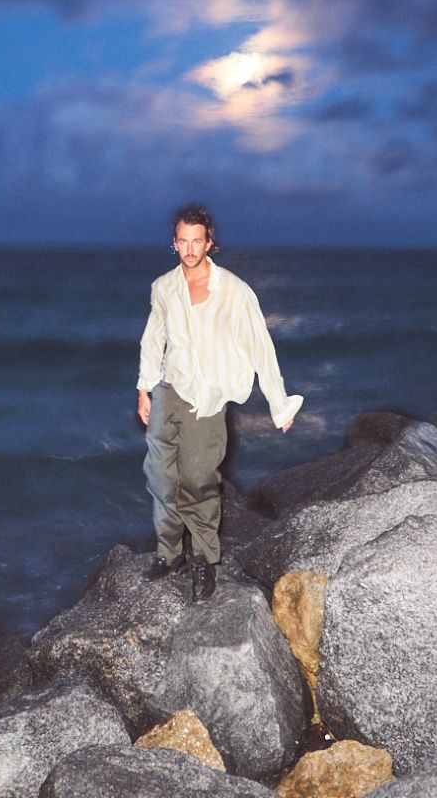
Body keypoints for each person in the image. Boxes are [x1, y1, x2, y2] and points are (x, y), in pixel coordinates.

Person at [136, 204, 302, 602]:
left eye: (198, 241)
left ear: (209, 242)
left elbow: (261, 347)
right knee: (159, 474)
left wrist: (278, 404)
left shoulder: (234, 292)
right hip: (169, 388)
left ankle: (205, 560)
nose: (190, 248)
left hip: (208, 396)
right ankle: (169, 552)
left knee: (197, 477)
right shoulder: (163, 288)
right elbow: (152, 339)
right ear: (174, 244)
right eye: (183, 241)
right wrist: (144, 389)